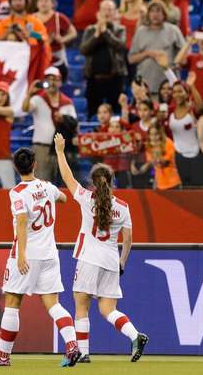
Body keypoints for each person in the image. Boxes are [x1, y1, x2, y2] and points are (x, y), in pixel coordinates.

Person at [54, 134, 148, 363]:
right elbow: (128, 239)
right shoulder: (123, 207)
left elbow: (67, 177)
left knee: (81, 306)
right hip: (110, 261)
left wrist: (59, 151)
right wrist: (123, 261)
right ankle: (135, 335)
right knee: (108, 309)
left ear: (93, 182)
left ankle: (84, 353)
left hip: (88, 259)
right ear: (112, 181)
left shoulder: (87, 199)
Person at [0, 148, 81, 367]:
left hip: (27, 254)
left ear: (16, 168)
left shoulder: (17, 192)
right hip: (49, 254)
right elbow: (63, 198)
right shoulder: (47, 186)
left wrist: (21, 255)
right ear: (34, 164)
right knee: (53, 304)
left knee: (12, 302)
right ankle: (73, 346)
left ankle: (3, 357)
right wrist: (48, 196)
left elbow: (21, 221)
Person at [21, 66, 76, 182]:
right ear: (44, 82)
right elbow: (25, 108)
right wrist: (29, 94)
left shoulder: (67, 102)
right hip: (42, 148)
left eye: (55, 79)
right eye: (49, 79)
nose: (51, 83)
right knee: (42, 181)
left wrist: (64, 119)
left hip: (61, 149)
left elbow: (75, 124)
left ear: (60, 82)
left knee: (65, 182)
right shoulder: (37, 99)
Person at [80, 0, 127, 118]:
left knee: (116, 113)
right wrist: (96, 35)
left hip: (115, 78)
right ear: (98, 13)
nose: (107, 12)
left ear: (115, 13)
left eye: (110, 9)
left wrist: (105, 31)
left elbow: (119, 46)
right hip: (94, 79)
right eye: (104, 9)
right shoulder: (90, 30)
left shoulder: (120, 29)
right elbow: (84, 50)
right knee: (93, 112)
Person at [128, 1, 186, 93]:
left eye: (158, 11)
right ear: (148, 14)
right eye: (152, 11)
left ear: (164, 14)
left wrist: (177, 64)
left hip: (168, 87)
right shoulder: (140, 32)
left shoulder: (173, 30)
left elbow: (185, 56)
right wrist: (148, 54)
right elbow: (131, 59)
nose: (155, 14)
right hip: (146, 85)